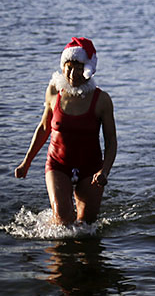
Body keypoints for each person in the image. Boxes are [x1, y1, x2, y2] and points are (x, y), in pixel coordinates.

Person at [14, 37, 117, 226]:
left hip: (91, 168)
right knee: (62, 220)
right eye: (69, 67)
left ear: (88, 69)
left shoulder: (102, 100)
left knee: (86, 225)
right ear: (63, 66)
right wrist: (26, 162)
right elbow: (44, 128)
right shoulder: (54, 91)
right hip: (58, 164)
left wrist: (104, 171)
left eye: (78, 68)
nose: (72, 74)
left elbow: (111, 141)